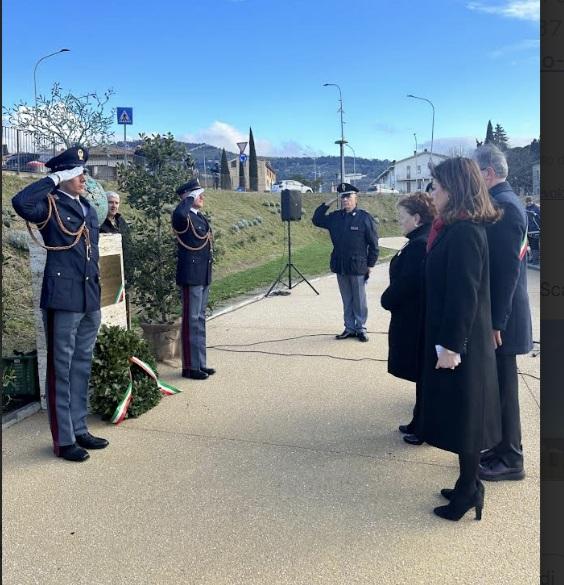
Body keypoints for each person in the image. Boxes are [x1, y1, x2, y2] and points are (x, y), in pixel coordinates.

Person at [11, 146, 108, 462]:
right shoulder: (49, 206)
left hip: (88, 297)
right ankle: (63, 439)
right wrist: (53, 179)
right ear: (63, 175)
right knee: (61, 369)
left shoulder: (88, 209)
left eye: (82, 172)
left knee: (82, 365)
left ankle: (79, 427)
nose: (83, 177)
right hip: (63, 299)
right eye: (76, 172)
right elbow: (20, 203)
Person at [420, 157, 501, 521]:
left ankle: (470, 490)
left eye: (436, 187)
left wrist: (452, 347)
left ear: (454, 190)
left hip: (461, 344)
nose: (432, 194)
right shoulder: (454, 227)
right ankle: (469, 483)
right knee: (461, 417)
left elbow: (464, 295)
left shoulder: (466, 232)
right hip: (455, 339)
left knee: (466, 419)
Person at [473, 144, 533, 481]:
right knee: (498, 385)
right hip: (503, 313)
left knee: (506, 388)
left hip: (505, 316)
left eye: (476, 171)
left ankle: (512, 458)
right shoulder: (504, 202)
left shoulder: (506, 206)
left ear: (488, 173)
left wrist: (497, 320)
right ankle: (500, 447)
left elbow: (508, 269)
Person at [380, 192, 437, 446]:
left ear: (416, 218)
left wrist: (386, 299)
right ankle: (419, 420)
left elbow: (408, 283)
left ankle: (424, 426)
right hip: (413, 318)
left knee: (422, 374)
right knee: (420, 375)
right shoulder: (418, 239)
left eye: (402, 217)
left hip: (414, 320)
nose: (399, 221)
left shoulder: (418, 244)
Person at [312, 183, 379, 342]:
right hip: (340, 264)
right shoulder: (335, 217)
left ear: (356, 198)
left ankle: (361, 328)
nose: (345, 200)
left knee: (359, 299)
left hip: (358, 265)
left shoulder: (364, 218)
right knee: (347, 298)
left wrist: (370, 265)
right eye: (342, 197)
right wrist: (328, 202)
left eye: (348, 196)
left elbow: (374, 244)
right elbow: (316, 219)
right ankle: (349, 328)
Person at [172, 178, 215, 380]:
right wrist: (188, 198)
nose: (202, 197)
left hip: (202, 275)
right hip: (191, 275)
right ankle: (189, 366)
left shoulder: (199, 217)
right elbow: (179, 213)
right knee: (191, 320)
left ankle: (200, 363)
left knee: (200, 320)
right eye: (198, 194)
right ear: (188, 196)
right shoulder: (183, 216)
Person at [524, 196, 540, 265]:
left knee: (535, 245)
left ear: (532, 201)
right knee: (530, 245)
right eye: (527, 202)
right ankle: (532, 258)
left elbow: (538, 218)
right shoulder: (525, 209)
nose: (529, 203)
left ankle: (535, 260)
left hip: (535, 230)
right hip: (528, 230)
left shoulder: (536, 208)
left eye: (529, 201)